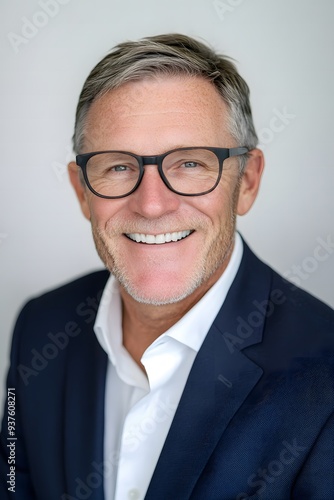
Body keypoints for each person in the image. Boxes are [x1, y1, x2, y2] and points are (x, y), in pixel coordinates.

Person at [0, 33, 333, 500]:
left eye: (191, 164)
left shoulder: (326, 377)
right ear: (82, 191)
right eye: (117, 167)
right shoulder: (40, 326)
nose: (152, 205)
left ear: (248, 182)